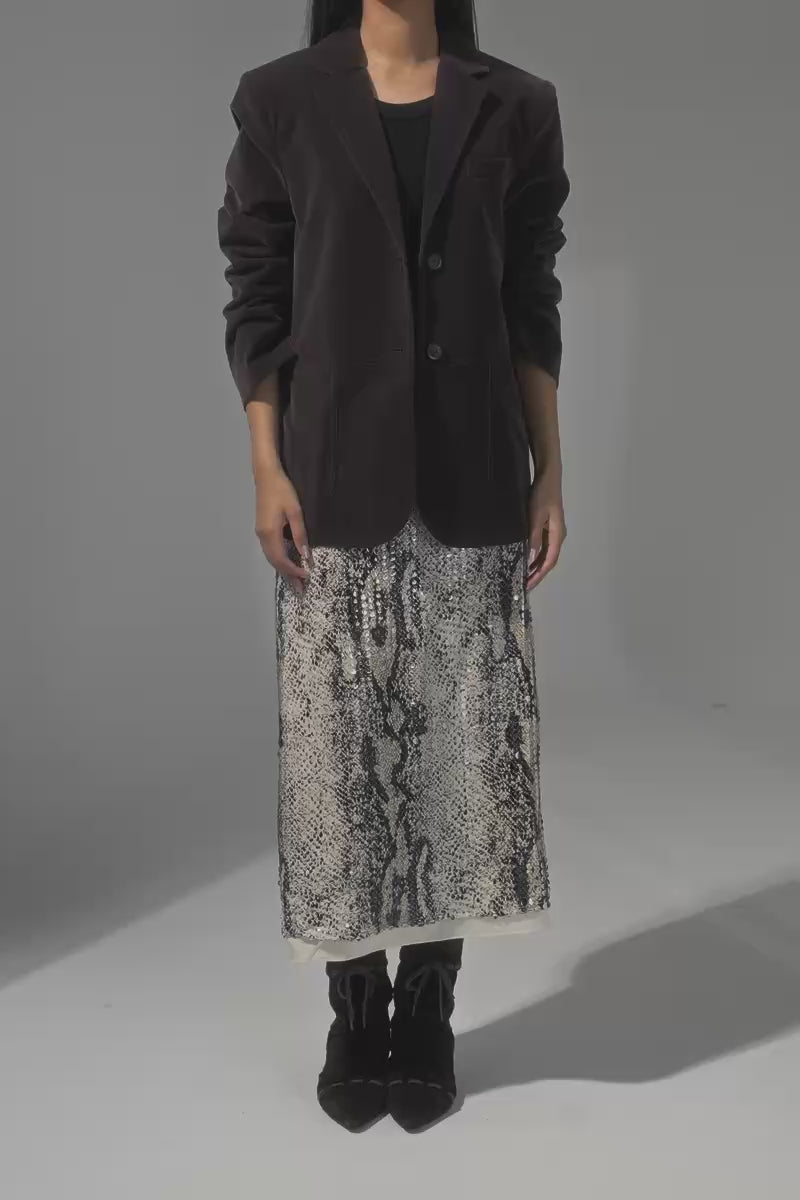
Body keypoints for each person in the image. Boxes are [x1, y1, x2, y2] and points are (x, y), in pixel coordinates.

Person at [217, 0, 570, 1132]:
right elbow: (258, 292)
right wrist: (266, 466)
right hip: (332, 479)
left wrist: (549, 469)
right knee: (341, 754)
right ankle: (353, 1002)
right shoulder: (280, 99)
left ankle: (428, 1005)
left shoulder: (517, 105)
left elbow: (529, 299)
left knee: (459, 750)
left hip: (474, 473)